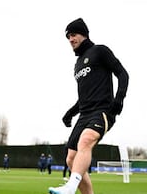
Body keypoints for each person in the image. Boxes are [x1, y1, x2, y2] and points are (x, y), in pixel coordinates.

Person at [49, 18, 129, 194]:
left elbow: (123, 74)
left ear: (84, 34)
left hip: (102, 111)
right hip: (84, 115)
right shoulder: (77, 65)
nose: (70, 39)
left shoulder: (100, 51)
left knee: (85, 140)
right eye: (68, 37)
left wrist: (119, 99)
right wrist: (70, 113)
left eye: (74, 34)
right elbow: (84, 97)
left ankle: (70, 187)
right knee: (71, 159)